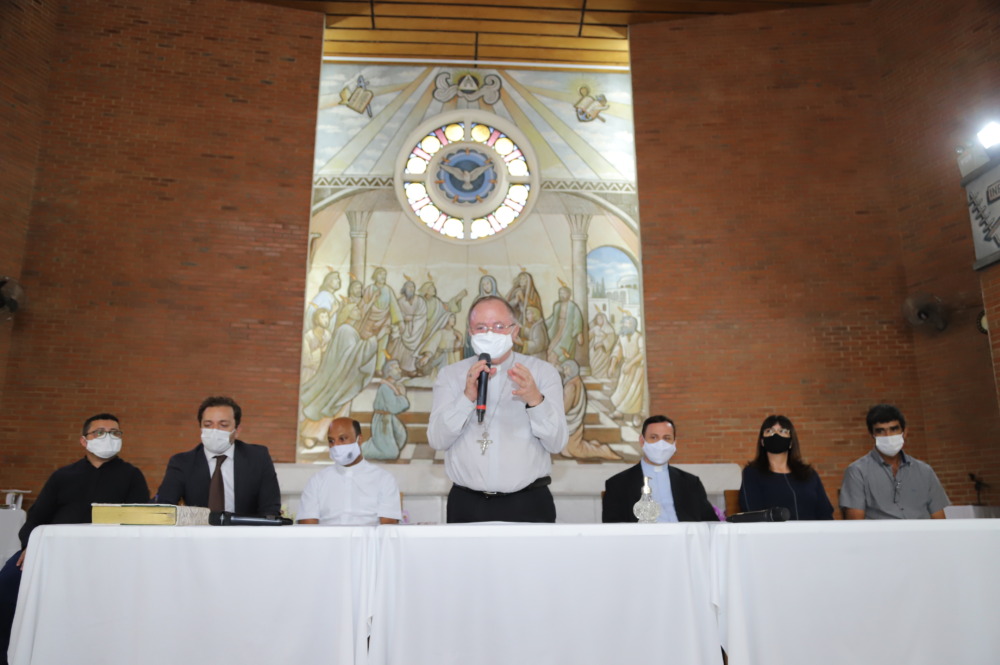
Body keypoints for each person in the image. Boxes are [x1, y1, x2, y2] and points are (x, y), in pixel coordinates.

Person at [0, 413, 149, 665]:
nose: (109, 437)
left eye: (115, 432)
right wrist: (30, 546)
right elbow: (35, 518)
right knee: (7, 584)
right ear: (83, 440)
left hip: (105, 555)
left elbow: (140, 521)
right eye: (100, 432)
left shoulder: (132, 476)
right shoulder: (63, 476)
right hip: (52, 551)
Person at [427, 295, 567, 522]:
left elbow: (557, 443)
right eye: (481, 327)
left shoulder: (542, 373)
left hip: (528, 502)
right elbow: (437, 440)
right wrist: (466, 397)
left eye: (499, 326)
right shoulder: (451, 375)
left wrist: (535, 399)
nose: (490, 334)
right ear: (470, 333)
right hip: (467, 504)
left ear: (514, 331)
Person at [156, 396, 281, 516]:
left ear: (237, 430)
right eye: (208, 425)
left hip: (245, 529)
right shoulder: (182, 462)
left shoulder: (258, 458)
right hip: (198, 530)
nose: (215, 430)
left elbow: (270, 508)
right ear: (200, 428)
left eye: (223, 425)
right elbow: (164, 506)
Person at [840, 404, 949, 519]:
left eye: (894, 429)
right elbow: (856, 523)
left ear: (904, 432)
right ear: (872, 435)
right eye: (880, 431)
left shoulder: (925, 471)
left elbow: (939, 519)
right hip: (882, 531)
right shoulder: (857, 471)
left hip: (921, 530)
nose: (888, 436)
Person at [602, 415, 718, 523]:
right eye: (654, 437)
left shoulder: (691, 483)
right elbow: (612, 528)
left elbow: (711, 523)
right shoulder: (618, 484)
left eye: (667, 438)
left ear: (674, 443)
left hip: (683, 537)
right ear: (642, 441)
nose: (660, 444)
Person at [298, 418, 401, 525]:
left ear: (359, 439)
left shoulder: (384, 479)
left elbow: (388, 528)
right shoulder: (317, 481)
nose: (336, 445)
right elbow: (307, 526)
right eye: (331, 441)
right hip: (328, 536)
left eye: (342, 439)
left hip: (368, 536)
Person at [738, 415, 833, 520]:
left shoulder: (809, 474)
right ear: (762, 442)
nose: (776, 435)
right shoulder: (752, 473)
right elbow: (753, 513)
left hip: (812, 530)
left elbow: (825, 513)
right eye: (769, 431)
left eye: (782, 431)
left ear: (791, 442)